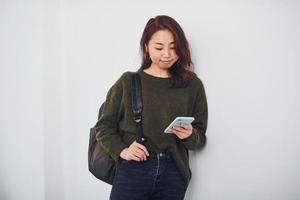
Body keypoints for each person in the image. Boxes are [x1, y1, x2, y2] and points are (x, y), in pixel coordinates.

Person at [96, 15, 208, 200]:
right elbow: (104, 126)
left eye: (173, 47)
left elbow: (200, 138)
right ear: (146, 47)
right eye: (159, 47)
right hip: (133, 169)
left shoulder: (192, 84)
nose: (167, 54)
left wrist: (189, 135)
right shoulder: (127, 82)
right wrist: (122, 150)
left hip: (173, 172)